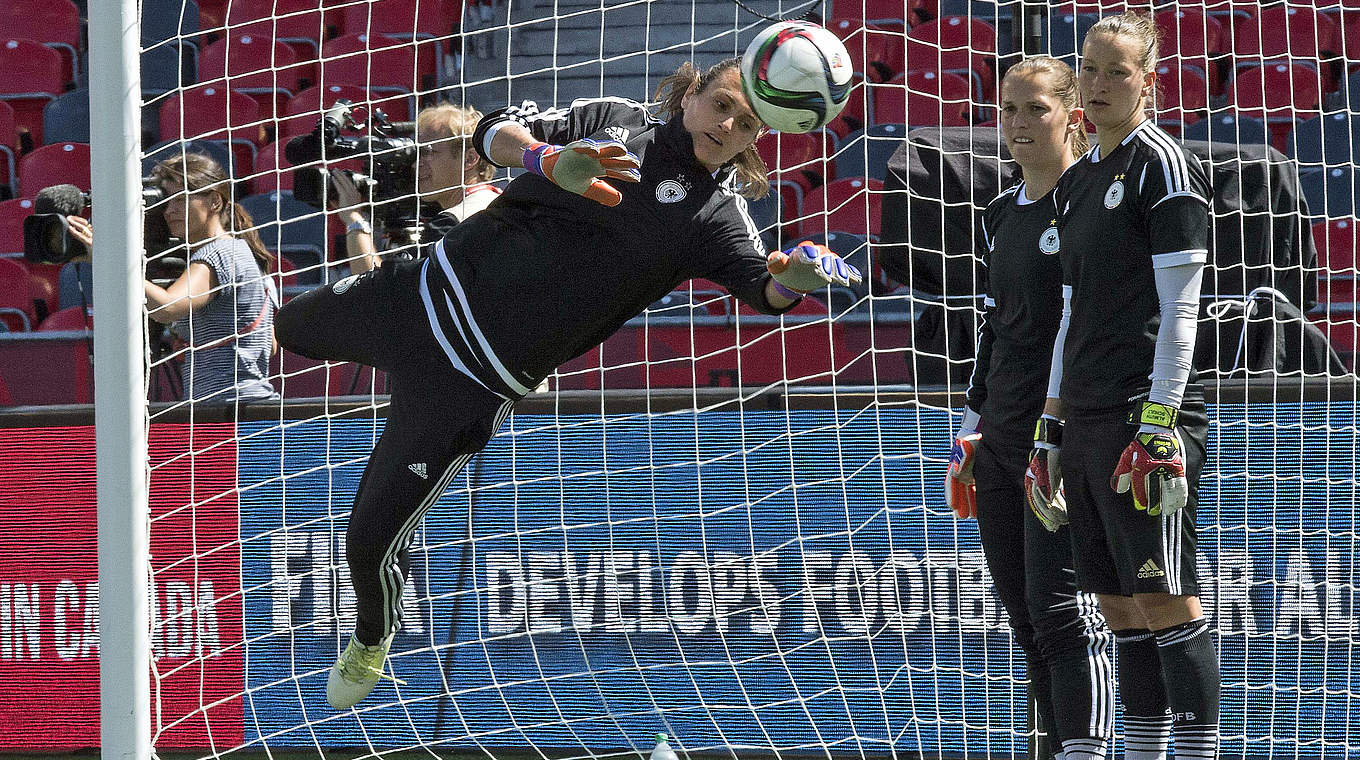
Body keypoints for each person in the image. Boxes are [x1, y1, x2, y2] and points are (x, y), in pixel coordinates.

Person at [273, 57, 862, 710]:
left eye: (747, 123)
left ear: (759, 136)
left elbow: (765, 286)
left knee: (369, 541)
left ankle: (372, 636)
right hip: (415, 296)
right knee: (289, 327)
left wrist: (796, 284)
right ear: (692, 92)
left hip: (468, 384)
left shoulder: (715, 216)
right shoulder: (613, 122)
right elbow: (488, 132)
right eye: (722, 104)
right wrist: (544, 160)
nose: (728, 125)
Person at [1026, 13, 1219, 760]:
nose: (1099, 85)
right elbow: (1070, 313)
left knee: (1168, 602)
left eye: (1117, 71)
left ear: (1149, 81)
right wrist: (1050, 429)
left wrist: (1160, 421)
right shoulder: (1076, 184)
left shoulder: (1164, 166)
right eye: (1091, 70)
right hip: (1086, 420)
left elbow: (1183, 309)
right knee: (1118, 609)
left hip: (1148, 419)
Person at [945, 56, 1115, 760]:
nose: (1018, 124)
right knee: (1025, 621)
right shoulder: (997, 212)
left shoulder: (1092, 202)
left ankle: (1094, 750)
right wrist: (969, 427)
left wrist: (1062, 430)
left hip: (1066, 438)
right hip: (1002, 439)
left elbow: (1097, 326)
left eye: (1036, 108)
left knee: (1064, 616)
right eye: (1008, 109)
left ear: (1072, 114)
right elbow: (996, 326)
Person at [67, 152, 279, 404]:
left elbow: (167, 307)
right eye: (167, 202)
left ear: (214, 202)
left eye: (180, 199)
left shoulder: (218, 253)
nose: (170, 211)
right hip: (244, 409)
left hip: (230, 413)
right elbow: (271, 345)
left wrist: (105, 259)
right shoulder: (238, 249)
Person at [334, 102, 503, 274]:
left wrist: (354, 219)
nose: (416, 164)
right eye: (417, 153)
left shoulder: (452, 224)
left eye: (428, 152)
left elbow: (378, 294)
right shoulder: (500, 201)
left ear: (469, 159)